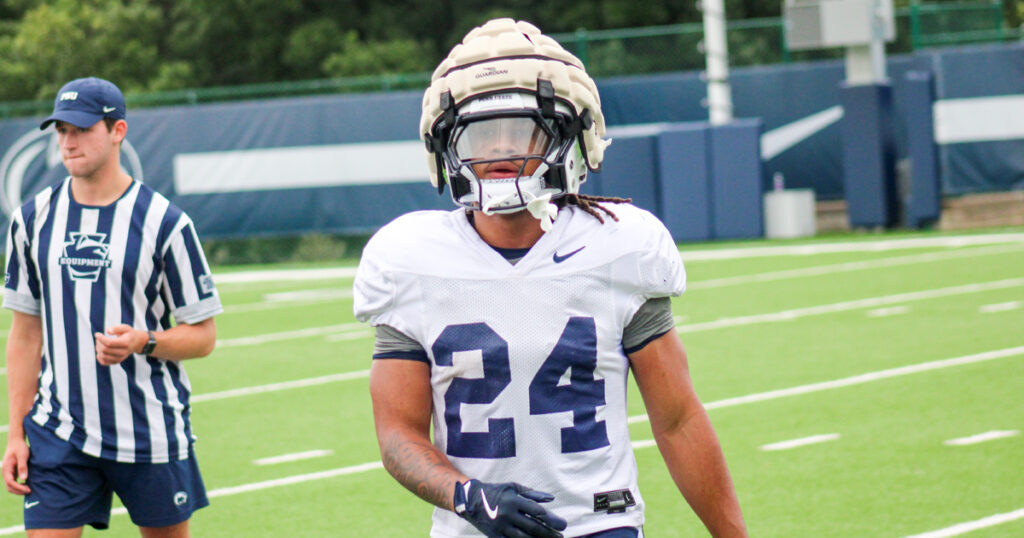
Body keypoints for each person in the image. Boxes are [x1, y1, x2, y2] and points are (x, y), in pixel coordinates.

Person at [354, 18, 747, 538]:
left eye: (520, 131)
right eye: (479, 135)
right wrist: (468, 497)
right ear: (446, 145)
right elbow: (397, 435)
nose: (498, 152)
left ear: (570, 138)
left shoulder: (619, 246)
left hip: (599, 524)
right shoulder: (410, 259)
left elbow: (678, 420)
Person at [2, 77, 222, 537]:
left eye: (81, 129)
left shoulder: (166, 223)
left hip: (148, 430)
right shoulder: (31, 219)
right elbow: (25, 334)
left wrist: (146, 340)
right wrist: (16, 433)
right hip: (57, 430)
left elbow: (203, 337)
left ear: (117, 130)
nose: (68, 141)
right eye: (61, 130)